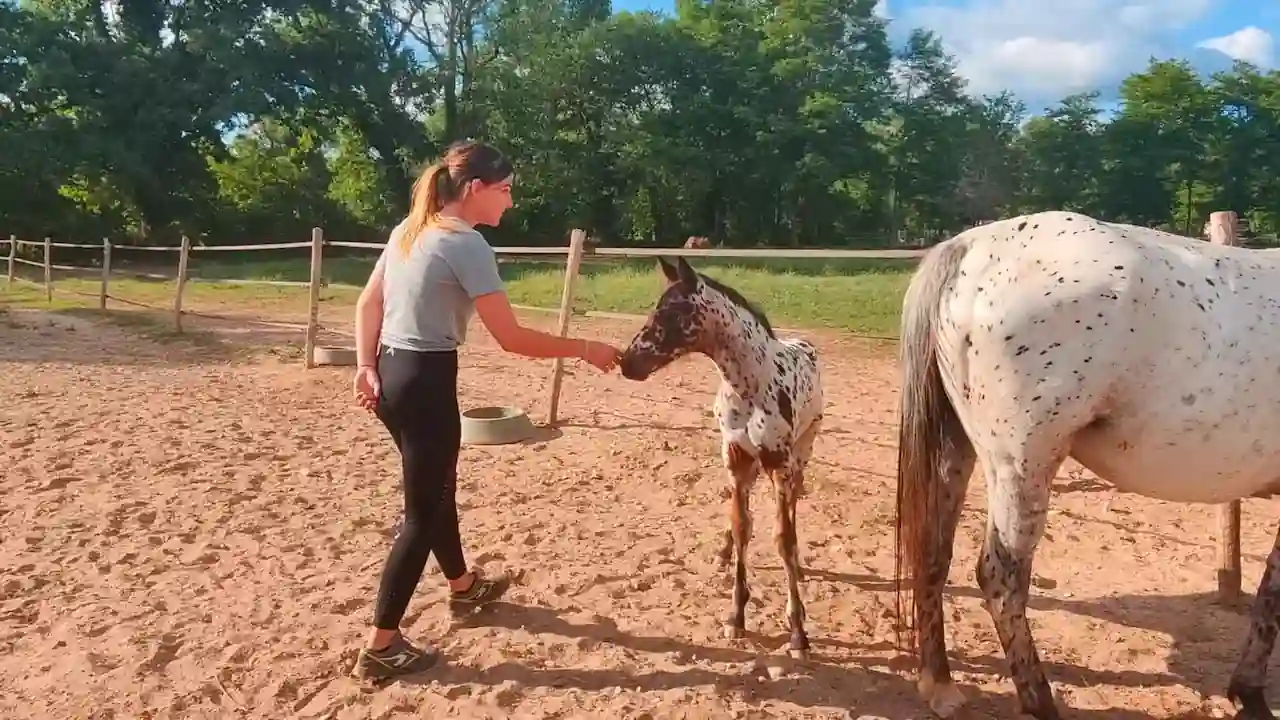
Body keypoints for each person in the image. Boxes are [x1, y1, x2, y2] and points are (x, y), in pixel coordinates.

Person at [348, 140, 621, 680]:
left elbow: (368, 302)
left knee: (436, 490)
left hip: (391, 376)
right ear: (474, 189)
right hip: (426, 382)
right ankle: (382, 646)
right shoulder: (466, 243)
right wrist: (585, 348)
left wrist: (364, 365)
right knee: (423, 513)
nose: (511, 202)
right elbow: (512, 338)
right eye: (506, 189)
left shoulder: (410, 229)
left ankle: (464, 588)